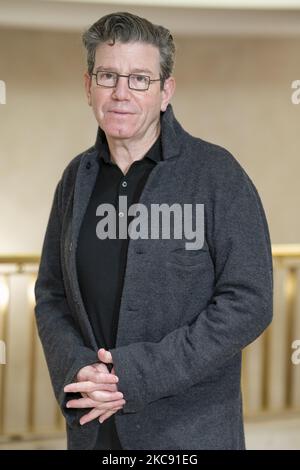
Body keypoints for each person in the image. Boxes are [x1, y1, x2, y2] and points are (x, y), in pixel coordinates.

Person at [34, 12, 273, 450]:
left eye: (140, 79)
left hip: (190, 434)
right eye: (108, 76)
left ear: (166, 91)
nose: (122, 93)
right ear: (89, 87)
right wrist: (77, 371)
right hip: (93, 429)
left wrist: (136, 374)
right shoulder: (76, 178)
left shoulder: (217, 174)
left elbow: (250, 300)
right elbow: (51, 294)